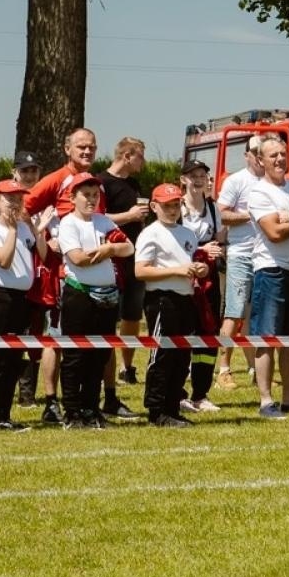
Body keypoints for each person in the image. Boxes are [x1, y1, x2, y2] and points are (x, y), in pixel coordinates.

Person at [25, 127, 98, 424]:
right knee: (56, 337)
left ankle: (85, 401)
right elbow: (21, 207)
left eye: (91, 146)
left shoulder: (94, 184)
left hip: (92, 275)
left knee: (90, 340)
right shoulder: (56, 179)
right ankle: (51, 401)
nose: (87, 151)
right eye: (81, 146)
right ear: (67, 149)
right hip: (60, 275)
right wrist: (41, 239)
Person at [57, 175, 132, 427]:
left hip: (107, 296)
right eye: (85, 195)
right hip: (79, 295)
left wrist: (107, 250)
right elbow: (77, 258)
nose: (91, 200)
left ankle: (91, 408)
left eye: (95, 195)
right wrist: (106, 252)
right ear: (72, 198)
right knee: (75, 356)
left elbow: (128, 248)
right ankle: (72, 412)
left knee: (99, 355)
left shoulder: (104, 221)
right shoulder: (68, 224)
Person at [136, 183, 208, 428]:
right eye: (167, 206)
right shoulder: (150, 233)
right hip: (161, 300)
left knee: (182, 355)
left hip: (185, 298)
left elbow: (194, 260)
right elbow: (140, 270)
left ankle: (173, 406)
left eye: (176, 205)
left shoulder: (187, 233)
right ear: (154, 206)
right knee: (163, 355)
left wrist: (201, 268)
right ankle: (156, 409)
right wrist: (177, 270)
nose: (172, 210)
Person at [248, 136, 289, 419]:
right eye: (273, 156)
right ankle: (265, 400)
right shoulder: (259, 193)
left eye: (283, 154)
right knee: (267, 338)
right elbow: (273, 232)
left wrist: (288, 218)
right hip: (270, 270)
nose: (280, 159)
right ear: (261, 160)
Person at [0, 179, 44, 431]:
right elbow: (3, 261)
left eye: (19, 198)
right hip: (2, 298)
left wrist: (34, 228)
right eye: (10, 199)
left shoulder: (25, 227)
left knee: (15, 359)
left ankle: (3, 415)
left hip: (22, 299)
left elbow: (43, 255)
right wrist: (14, 230)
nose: (16, 203)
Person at [214, 134, 269, 390]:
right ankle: (223, 369)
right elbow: (222, 215)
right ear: (246, 154)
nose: (260, 155)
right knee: (234, 313)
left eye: (263, 151)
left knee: (258, 316)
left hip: (267, 256)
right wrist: (252, 215)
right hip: (241, 255)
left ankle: (258, 370)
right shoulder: (236, 180)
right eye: (255, 151)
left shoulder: (275, 182)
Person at [100, 137, 150, 393]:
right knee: (108, 316)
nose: (144, 161)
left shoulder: (133, 183)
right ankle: (103, 367)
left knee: (132, 314)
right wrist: (128, 216)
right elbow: (97, 217)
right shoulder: (101, 183)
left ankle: (126, 367)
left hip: (135, 257)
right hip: (109, 257)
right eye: (141, 155)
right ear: (128, 156)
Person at [177, 159, 226, 412]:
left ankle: (201, 393)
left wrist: (218, 250)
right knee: (184, 332)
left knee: (208, 333)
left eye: (202, 175)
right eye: (192, 175)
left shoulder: (212, 208)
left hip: (210, 279)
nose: (198, 180)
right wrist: (200, 249)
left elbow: (221, 239)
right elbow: (171, 243)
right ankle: (179, 392)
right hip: (183, 275)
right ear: (183, 179)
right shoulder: (177, 207)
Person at [0, 151, 44, 219]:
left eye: (34, 171)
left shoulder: (47, 194)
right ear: (14, 172)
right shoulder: (3, 194)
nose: (29, 176)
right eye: (24, 171)